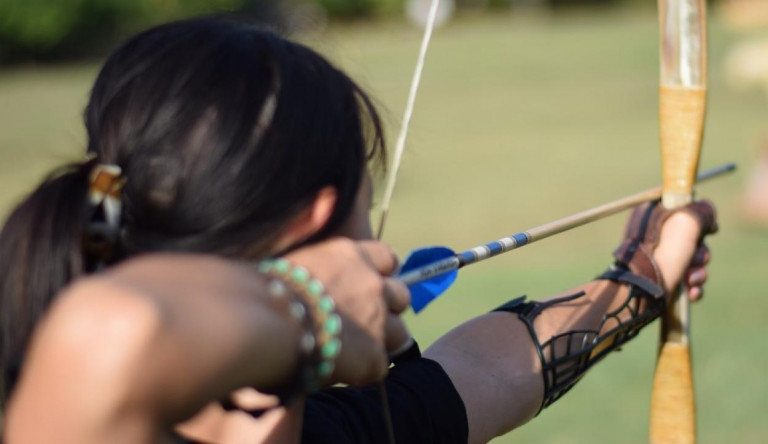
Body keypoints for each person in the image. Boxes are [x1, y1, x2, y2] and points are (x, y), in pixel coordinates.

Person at [1, 17, 717, 444]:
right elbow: (110, 333)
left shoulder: (326, 430)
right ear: (316, 222)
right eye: (362, 210)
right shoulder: (67, 406)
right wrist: (311, 308)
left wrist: (642, 275)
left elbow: (488, 374)